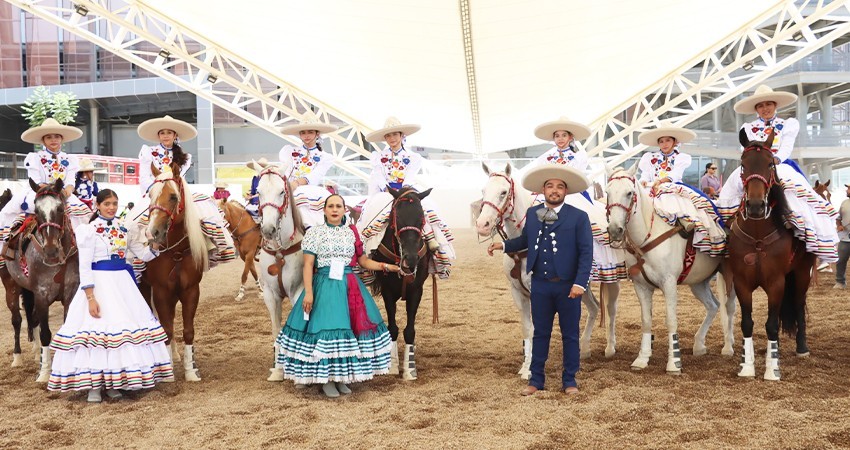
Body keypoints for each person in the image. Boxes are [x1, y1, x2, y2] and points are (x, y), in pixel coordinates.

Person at [48, 189, 173, 403]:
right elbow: (84, 266)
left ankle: (116, 384)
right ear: (98, 206)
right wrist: (90, 297)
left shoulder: (126, 228)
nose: (112, 207)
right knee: (98, 335)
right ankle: (94, 387)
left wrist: (154, 243)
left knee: (120, 337)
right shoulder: (88, 231)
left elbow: (141, 255)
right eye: (107, 203)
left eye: (115, 203)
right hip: (99, 285)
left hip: (123, 285)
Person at [276, 194, 398, 398]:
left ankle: (341, 378)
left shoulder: (352, 233)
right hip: (325, 286)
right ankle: (328, 380)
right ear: (324, 210)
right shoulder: (315, 233)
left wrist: (387, 266)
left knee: (349, 330)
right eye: (330, 206)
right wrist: (308, 292)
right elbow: (307, 265)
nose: (334, 209)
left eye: (338, 206)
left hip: (350, 286)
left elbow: (363, 261)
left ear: (344, 210)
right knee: (329, 329)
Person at [487, 165, 593, 396]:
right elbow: (525, 240)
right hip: (541, 285)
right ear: (543, 190)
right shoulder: (533, 216)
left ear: (566, 191)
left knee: (570, 335)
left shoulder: (579, 217)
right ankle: (536, 380)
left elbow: (586, 253)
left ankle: (569, 380)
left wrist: (579, 283)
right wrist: (503, 245)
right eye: (550, 186)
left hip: (567, 286)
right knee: (540, 333)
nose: (554, 190)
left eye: (559, 187)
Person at [718, 85, 838, 262]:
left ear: (775, 106)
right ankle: (731, 225)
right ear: (756, 109)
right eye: (760, 105)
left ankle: (792, 219)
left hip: (778, 163)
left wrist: (775, 159)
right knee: (732, 185)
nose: (765, 108)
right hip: (756, 165)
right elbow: (745, 149)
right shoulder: (748, 127)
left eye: (768, 104)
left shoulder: (788, 124)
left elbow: (787, 147)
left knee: (790, 184)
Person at [527, 117, 626, 283]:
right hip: (551, 192)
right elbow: (542, 175)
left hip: (572, 192)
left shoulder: (578, 155)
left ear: (570, 137)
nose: (560, 138)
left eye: (563, 135)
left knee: (591, 219)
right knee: (529, 213)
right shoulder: (545, 157)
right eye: (557, 135)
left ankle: (592, 257)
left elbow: (574, 177)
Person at [356, 116, 455, 279]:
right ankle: (368, 248)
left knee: (426, 208)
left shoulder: (413, 157)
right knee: (370, 212)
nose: (392, 138)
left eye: (395, 134)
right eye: (388, 136)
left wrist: (402, 191)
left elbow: (409, 176)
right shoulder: (378, 156)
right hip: (385, 192)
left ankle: (432, 241)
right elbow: (379, 176)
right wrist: (387, 189)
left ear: (402, 136)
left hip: (405, 190)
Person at [131, 115, 235, 267]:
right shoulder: (148, 152)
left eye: (169, 132)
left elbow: (181, 180)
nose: (165, 135)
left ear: (175, 135)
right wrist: (156, 190)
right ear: (158, 136)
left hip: (177, 192)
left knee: (206, 210)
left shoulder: (185, 157)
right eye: (162, 133)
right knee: (132, 222)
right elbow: (144, 177)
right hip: (154, 193)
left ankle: (210, 247)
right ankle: (136, 258)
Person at [637, 125, 726, 256]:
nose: (664, 144)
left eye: (667, 140)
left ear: (675, 142)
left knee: (678, 200)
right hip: (651, 187)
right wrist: (644, 181)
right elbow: (645, 174)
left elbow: (676, 175)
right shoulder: (650, 157)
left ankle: (686, 223)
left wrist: (661, 181)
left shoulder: (681, 157)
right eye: (661, 141)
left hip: (671, 186)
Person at [0, 118, 90, 245]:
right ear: (43, 140)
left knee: (81, 213)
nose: (53, 140)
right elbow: (36, 182)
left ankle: (81, 245)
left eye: (56, 136)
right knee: (8, 211)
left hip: (62, 193)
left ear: (62, 139)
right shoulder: (35, 157)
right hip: (39, 192)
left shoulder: (69, 158)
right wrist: (51, 190)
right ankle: (7, 248)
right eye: (49, 137)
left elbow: (70, 182)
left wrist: (66, 191)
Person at [278, 111, 338, 228]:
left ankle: (310, 230)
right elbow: (285, 170)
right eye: (303, 132)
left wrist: (297, 183)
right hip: (290, 189)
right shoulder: (289, 151)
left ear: (317, 134)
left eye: (310, 132)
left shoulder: (325, 157)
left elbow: (315, 176)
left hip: (311, 190)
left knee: (303, 196)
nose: (306, 136)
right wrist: (289, 185)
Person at [836, 184, 850, 289]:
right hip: (845, 238)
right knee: (840, 260)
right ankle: (840, 282)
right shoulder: (844, 203)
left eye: (849, 188)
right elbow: (838, 218)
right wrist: (839, 225)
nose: (847, 190)